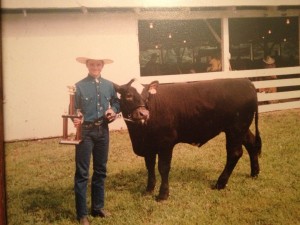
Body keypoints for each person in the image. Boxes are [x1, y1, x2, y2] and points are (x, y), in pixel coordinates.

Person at [73, 56, 120, 225]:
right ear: (87, 65)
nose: (95, 67)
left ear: (102, 66)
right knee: (82, 173)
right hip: (85, 133)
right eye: (92, 64)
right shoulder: (78, 86)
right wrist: (76, 118)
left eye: (98, 64)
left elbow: (116, 102)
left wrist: (113, 110)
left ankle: (97, 207)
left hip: (103, 131)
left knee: (100, 170)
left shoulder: (109, 85)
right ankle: (82, 214)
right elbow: (74, 109)